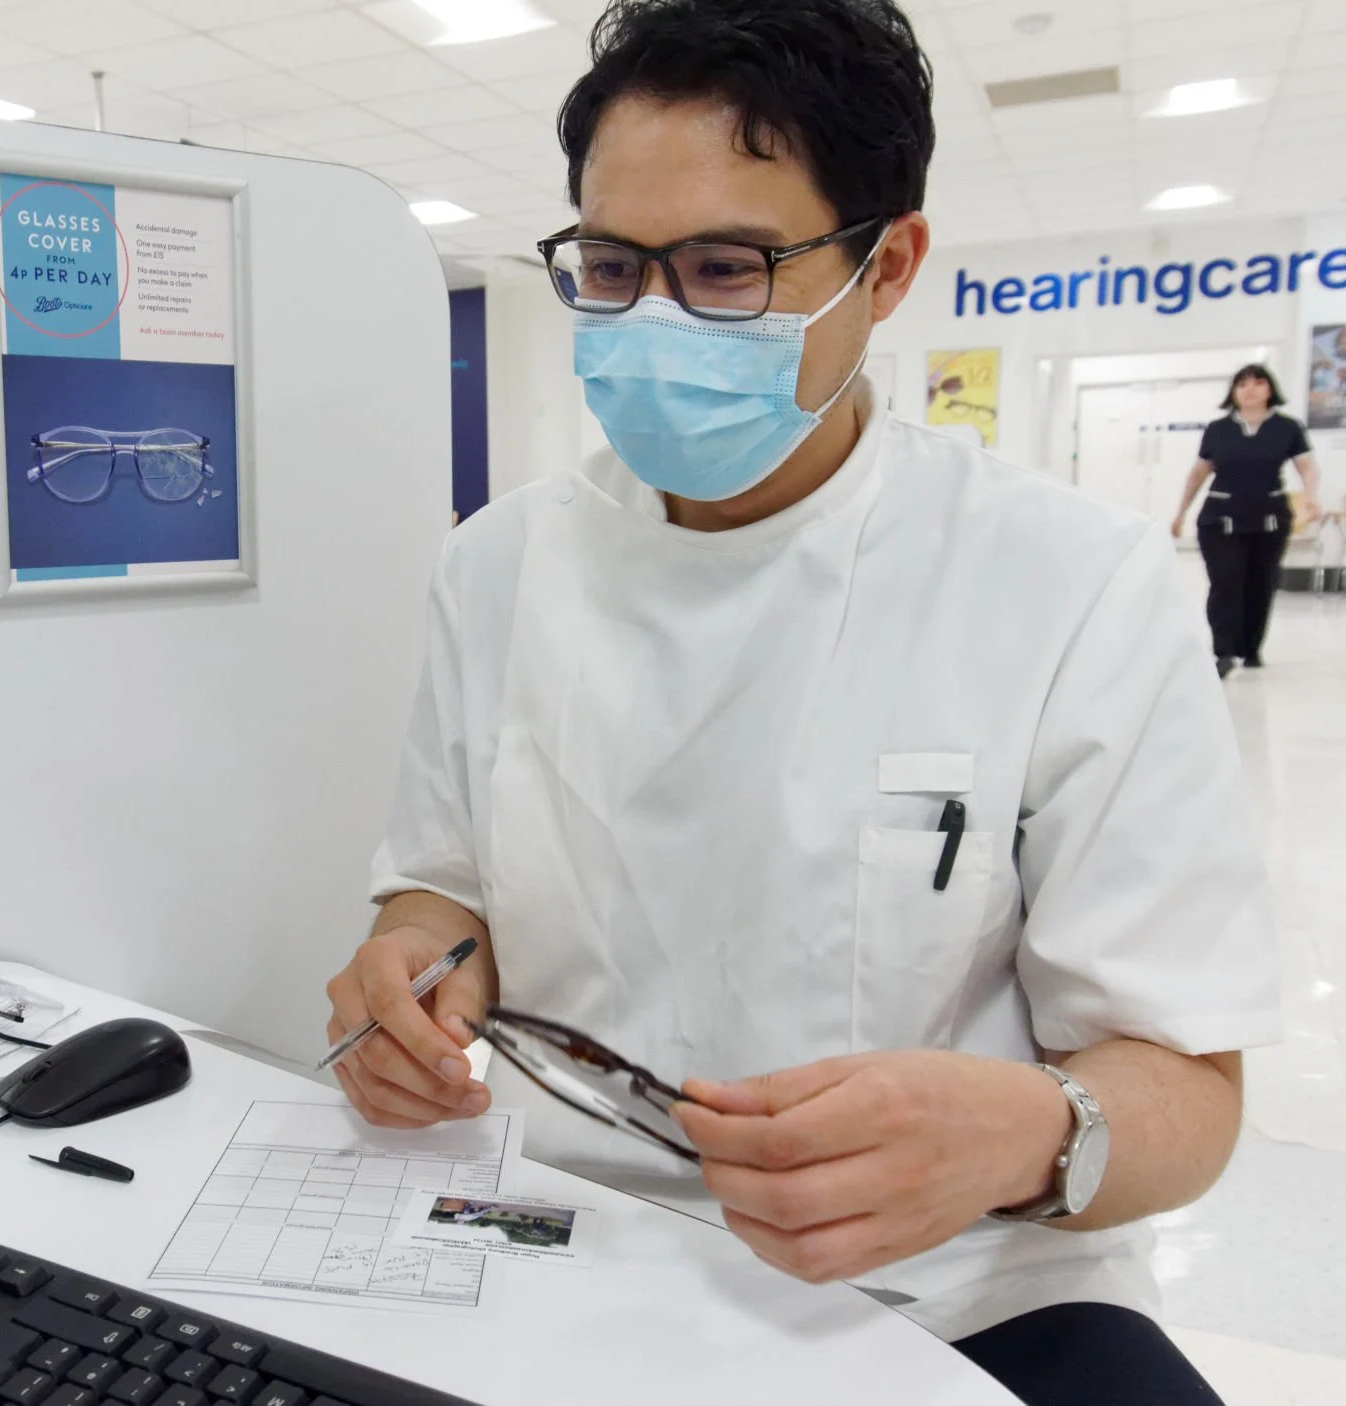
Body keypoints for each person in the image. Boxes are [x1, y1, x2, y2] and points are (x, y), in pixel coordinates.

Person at [321, 3, 1280, 1403]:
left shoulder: (1070, 583)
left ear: (885, 268)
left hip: (940, 1290)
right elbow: (437, 893)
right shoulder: (498, 562)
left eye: (724, 267)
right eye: (608, 264)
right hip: (558, 1242)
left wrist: (1021, 1130)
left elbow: (1188, 1095)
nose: (650, 317)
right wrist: (411, 975)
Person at [1171, 364, 1321, 676]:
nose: (1249, 389)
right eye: (1241, 384)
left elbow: (1307, 465)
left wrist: (1310, 494)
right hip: (1220, 518)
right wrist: (1181, 512)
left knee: (1260, 583)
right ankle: (1224, 651)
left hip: (1269, 518)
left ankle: (1252, 648)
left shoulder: (1288, 428)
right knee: (1225, 582)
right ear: (1233, 392)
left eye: (1257, 383)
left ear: (1270, 390)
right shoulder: (1218, 429)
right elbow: (1198, 472)